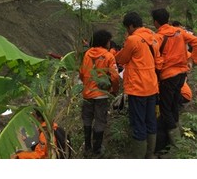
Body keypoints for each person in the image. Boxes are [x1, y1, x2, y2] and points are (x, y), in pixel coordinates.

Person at [115, 12, 159, 158]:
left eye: (127, 28)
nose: (127, 30)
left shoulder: (133, 39)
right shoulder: (153, 37)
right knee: (151, 120)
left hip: (138, 88)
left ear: (131, 26)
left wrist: (119, 50)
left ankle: (139, 158)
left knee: (138, 122)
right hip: (152, 86)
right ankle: (150, 154)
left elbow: (122, 59)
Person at [151, 8, 197, 148]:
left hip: (168, 76)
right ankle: (178, 136)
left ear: (155, 22)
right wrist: (192, 60)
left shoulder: (158, 37)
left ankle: (176, 141)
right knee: (174, 104)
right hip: (181, 74)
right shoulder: (179, 32)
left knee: (166, 108)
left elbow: (157, 60)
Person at [79, 30, 120, 157]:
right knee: (100, 121)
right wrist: (114, 90)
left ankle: (87, 147)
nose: (109, 43)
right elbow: (115, 77)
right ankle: (97, 149)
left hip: (87, 94)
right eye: (108, 41)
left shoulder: (87, 54)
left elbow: (81, 73)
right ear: (104, 42)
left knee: (87, 120)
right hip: (101, 95)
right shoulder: (108, 56)